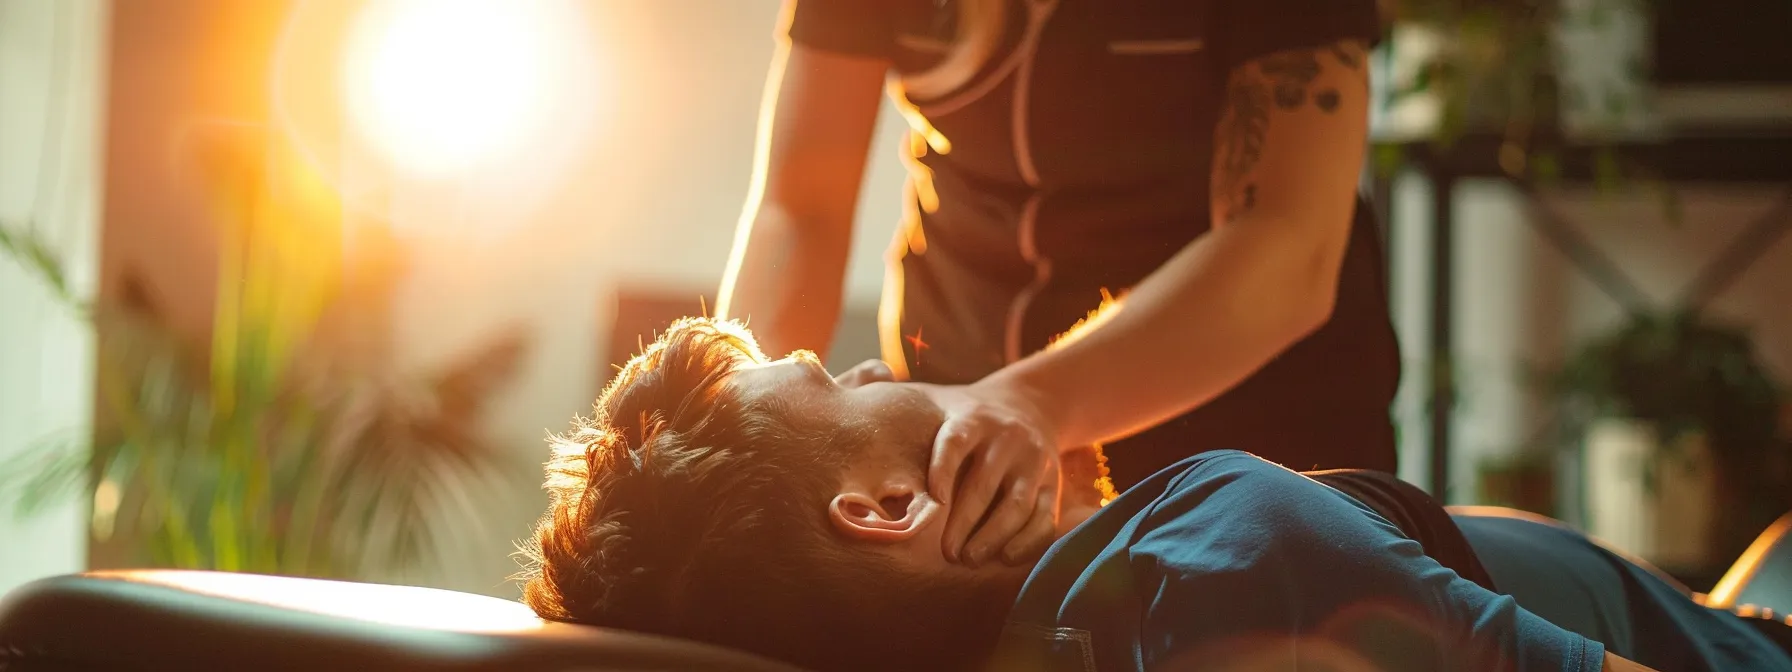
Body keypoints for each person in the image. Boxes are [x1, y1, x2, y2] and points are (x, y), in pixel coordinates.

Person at [517, 318, 1792, 672]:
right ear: (890, 510)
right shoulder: (1215, 540)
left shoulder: (1101, 609)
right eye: (843, 381)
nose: (877, 363)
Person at [715, 0, 1402, 569]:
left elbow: (1287, 243)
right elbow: (800, 209)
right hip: (961, 428)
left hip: (1256, 457)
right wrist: (727, 437)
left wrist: (1032, 404)